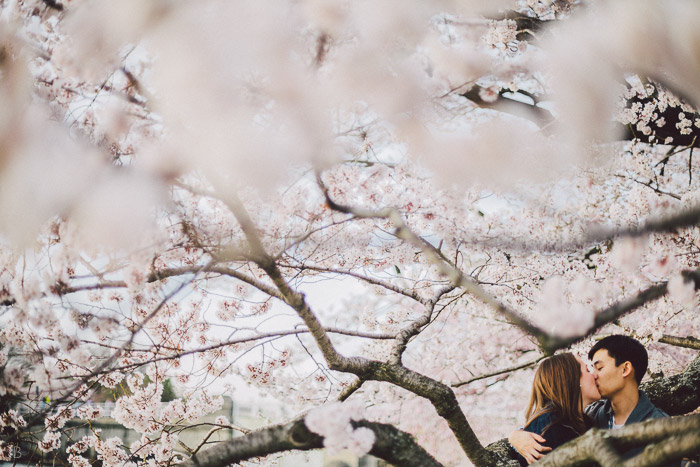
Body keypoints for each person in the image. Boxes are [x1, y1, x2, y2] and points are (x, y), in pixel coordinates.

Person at [510, 335, 674, 464]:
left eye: (599, 368)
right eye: (589, 370)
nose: (594, 375)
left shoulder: (660, 426)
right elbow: (546, 430)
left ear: (625, 369)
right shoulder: (591, 416)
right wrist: (516, 437)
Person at [510, 352, 601, 466]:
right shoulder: (551, 427)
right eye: (587, 370)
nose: (594, 375)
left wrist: (514, 435)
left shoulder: (583, 421)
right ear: (573, 380)